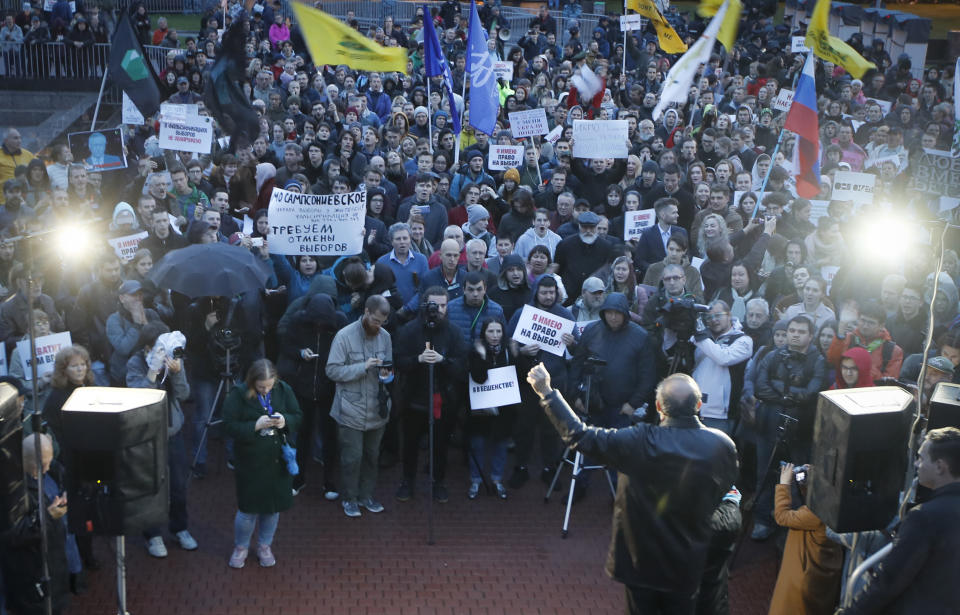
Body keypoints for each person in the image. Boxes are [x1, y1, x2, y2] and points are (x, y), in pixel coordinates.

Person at [527, 367, 737, 614]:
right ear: (699, 405)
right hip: (688, 563)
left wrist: (547, 392)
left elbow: (580, 436)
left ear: (658, 407)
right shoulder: (721, 445)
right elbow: (724, 491)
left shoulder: (639, 440)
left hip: (641, 563)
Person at [839, 427, 960, 614]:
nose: (917, 465)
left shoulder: (924, 517)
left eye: (921, 458)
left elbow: (888, 581)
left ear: (940, 466)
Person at [126, 321, 197, 558]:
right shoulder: (135, 363)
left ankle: (180, 528)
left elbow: (185, 394)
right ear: (147, 347)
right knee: (151, 486)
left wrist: (177, 373)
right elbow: (140, 399)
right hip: (147, 436)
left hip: (172, 431)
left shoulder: (174, 357)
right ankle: (153, 535)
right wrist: (153, 371)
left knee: (178, 485)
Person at [751, 315, 826, 541]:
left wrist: (779, 391)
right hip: (769, 424)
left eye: (801, 331)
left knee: (796, 476)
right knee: (764, 473)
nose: (794, 334)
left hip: (800, 428)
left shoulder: (818, 361)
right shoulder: (773, 355)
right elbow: (759, 388)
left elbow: (810, 393)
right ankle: (763, 519)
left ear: (811, 336)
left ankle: (791, 522)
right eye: (792, 330)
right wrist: (788, 394)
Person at [223, 359, 301, 569]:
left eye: (269, 386)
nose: (266, 390)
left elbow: (298, 416)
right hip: (251, 461)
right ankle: (241, 547)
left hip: (277, 462)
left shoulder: (283, 390)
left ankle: (264, 546)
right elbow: (228, 425)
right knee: (248, 509)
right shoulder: (238, 395)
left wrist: (285, 421)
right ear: (252, 382)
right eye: (261, 387)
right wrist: (253, 426)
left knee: (272, 509)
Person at [394, 286, 467, 503]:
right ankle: (407, 481)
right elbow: (398, 361)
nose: (438, 310)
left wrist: (443, 361)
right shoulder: (408, 331)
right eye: (433, 305)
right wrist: (417, 360)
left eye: (443, 305)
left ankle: (438, 482)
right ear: (424, 305)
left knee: (440, 445)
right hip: (414, 399)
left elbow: (462, 367)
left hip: (442, 400)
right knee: (410, 444)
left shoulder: (454, 333)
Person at [325, 295, 394, 518]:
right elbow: (332, 371)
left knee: (372, 457)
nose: (378, 325)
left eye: (382, 322)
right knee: (352, 458)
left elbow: (389, 370)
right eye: (374, 320)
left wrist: (386, 374)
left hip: (377, 408)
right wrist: (362, 367)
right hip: (350, 409)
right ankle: (350, 498)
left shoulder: (385, 337)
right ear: (365, 312)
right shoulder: (343, 336)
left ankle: (366, 496)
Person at [0, 433, 70, 615]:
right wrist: (49, 515)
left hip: (50, 572)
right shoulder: (13, 490)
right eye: (43, 464)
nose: (46, 469)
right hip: (31, 581)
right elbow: (15, 535)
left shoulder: (50, 472)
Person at [768, 463, 843, 615]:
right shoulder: (836, 502)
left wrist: (784, 484)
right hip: (822, 572)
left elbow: (782, 516)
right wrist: (807, 484)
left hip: (802, 579)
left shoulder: (818, 512)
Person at [466, 318, 517, 500]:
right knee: (478, 444)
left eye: (498, 332)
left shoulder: (509, 352)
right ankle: (476, 480)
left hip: (503, 411)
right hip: (481, 410)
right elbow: (479, 378)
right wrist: (482, 356)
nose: (495, 336)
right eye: (490, 332)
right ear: (484, 333)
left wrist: (518, 353)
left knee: (500, 445)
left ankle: (497, 480)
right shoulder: (475, 351)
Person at [691, 300, 753, 437]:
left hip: (720, 415)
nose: (714, 320)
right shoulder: (702, 338)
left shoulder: (743, 340)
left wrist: (700, 333)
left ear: (729, 315)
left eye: (718, 315)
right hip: (694, 410)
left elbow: (724, 358)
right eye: (709, 317)